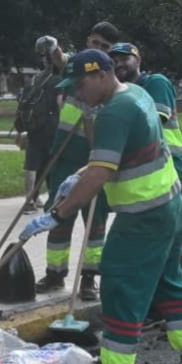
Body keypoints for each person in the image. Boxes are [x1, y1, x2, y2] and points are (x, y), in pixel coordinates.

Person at [20, 49, 182, 364]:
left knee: (120, 293)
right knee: (170, 286)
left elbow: (100, 173)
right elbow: (113, 157)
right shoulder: (135, 95)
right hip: (169, 207)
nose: (77, 93)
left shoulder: (113, 112)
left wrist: (59, 213)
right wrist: (80, 172)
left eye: (80, 85)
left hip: (142, 218)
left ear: (100, 75)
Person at [32, 21, 119, 299]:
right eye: (95, 42)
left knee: (95, 223)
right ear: (88, 40)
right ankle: (55, 273)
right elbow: (59, 58)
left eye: (105, 46)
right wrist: (51, 43)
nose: (98, 48)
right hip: (64, 156)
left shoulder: (109, 78)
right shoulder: (76, 64)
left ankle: (90, 277)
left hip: (95, 162)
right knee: (58, 216)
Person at [109, 42, 182, 294]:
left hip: (170, 166)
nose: (119, 63)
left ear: (138, 60)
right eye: (114, 59)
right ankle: (160, 296)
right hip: (146, 173)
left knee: (177, 233)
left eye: (125, 58)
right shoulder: (121, 95)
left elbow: (154, 122)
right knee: (153, 239)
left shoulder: (155, 83)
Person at [13, 40, 61, 214]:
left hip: (34, 127)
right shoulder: (59, 79)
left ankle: (30, 200)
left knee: (32, 163)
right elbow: (60, 103)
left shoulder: (37, 78)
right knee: (50, 163)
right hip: (52, 127)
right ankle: (52, 199)